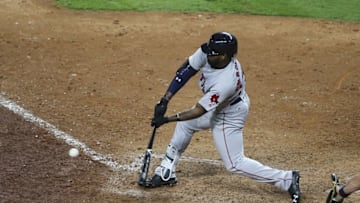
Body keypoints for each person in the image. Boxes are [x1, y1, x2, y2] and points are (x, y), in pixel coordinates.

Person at [149, 32, 301, 203]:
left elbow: (199, 110)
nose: (207, 54)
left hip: (229, 114)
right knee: (186, 124)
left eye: (213, 53)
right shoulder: (211, 53)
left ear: (224, 56)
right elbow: (187, 70)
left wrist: (167, 119)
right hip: (219, 107)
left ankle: (286, 179)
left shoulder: (225, 82)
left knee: (234, 163)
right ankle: (166, 170)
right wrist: (165, 99)